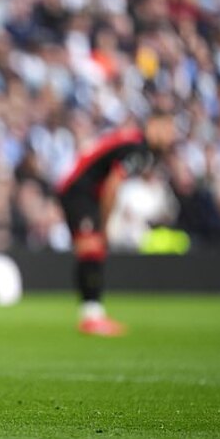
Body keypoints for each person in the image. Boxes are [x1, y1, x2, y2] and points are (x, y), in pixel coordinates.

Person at [55, 111, 176, 336]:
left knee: (94, 250)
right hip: (79, 191)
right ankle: (91, 317)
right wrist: (105, 224)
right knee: (91, 247)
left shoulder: (137, 146)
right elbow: (112, 185)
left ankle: (93, 313)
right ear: (153, 125)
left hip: (84, 191)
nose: (170, 136)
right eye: (167, 129)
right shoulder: (137, 149)